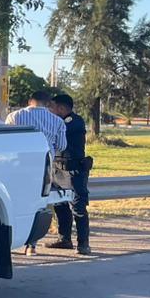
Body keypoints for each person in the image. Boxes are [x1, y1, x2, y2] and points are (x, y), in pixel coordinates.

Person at [47, 93, 92, 256]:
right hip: (58, 169)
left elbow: (59, 133)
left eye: (52, 108)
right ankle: (64, 239)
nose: (50, 111)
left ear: (61, 108)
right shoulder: (58, 122)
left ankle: (83, 244)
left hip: (73, 171)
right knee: (60, 205)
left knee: (78, 207)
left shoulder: (74, 122)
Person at [5, 90, 68, 157]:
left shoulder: (13, 116)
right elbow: (61, 146)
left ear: (29, 101)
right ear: (47, 103)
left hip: (19, 157)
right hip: (45, 160)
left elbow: (6, 139)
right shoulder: (58, 121)